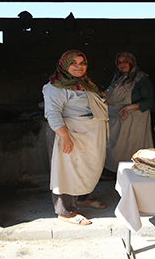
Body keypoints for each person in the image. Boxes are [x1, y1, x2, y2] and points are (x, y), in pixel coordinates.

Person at [42, 50, 109, 225]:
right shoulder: (55, 87)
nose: (79, 67)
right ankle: (65, 211)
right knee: (67, 171)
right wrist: (64, 137)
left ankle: (82, 198)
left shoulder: (84, 83)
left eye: (82, 63)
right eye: (74, 63)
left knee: (86, 168)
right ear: (64, 65)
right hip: (71, 132)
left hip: (89, 133)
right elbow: (52, 113)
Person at [102, 52, 154, 180]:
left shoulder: (141, 78)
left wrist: (128, 108)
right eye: (119, 62)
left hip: (133, 118)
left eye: (125, 61)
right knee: (114, 148)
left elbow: (149, 101)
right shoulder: (115, 77)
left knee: (132, 147)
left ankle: (133, 174)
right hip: (115, 117)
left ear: (132, 62)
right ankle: (113, 173)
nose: (122, 65)